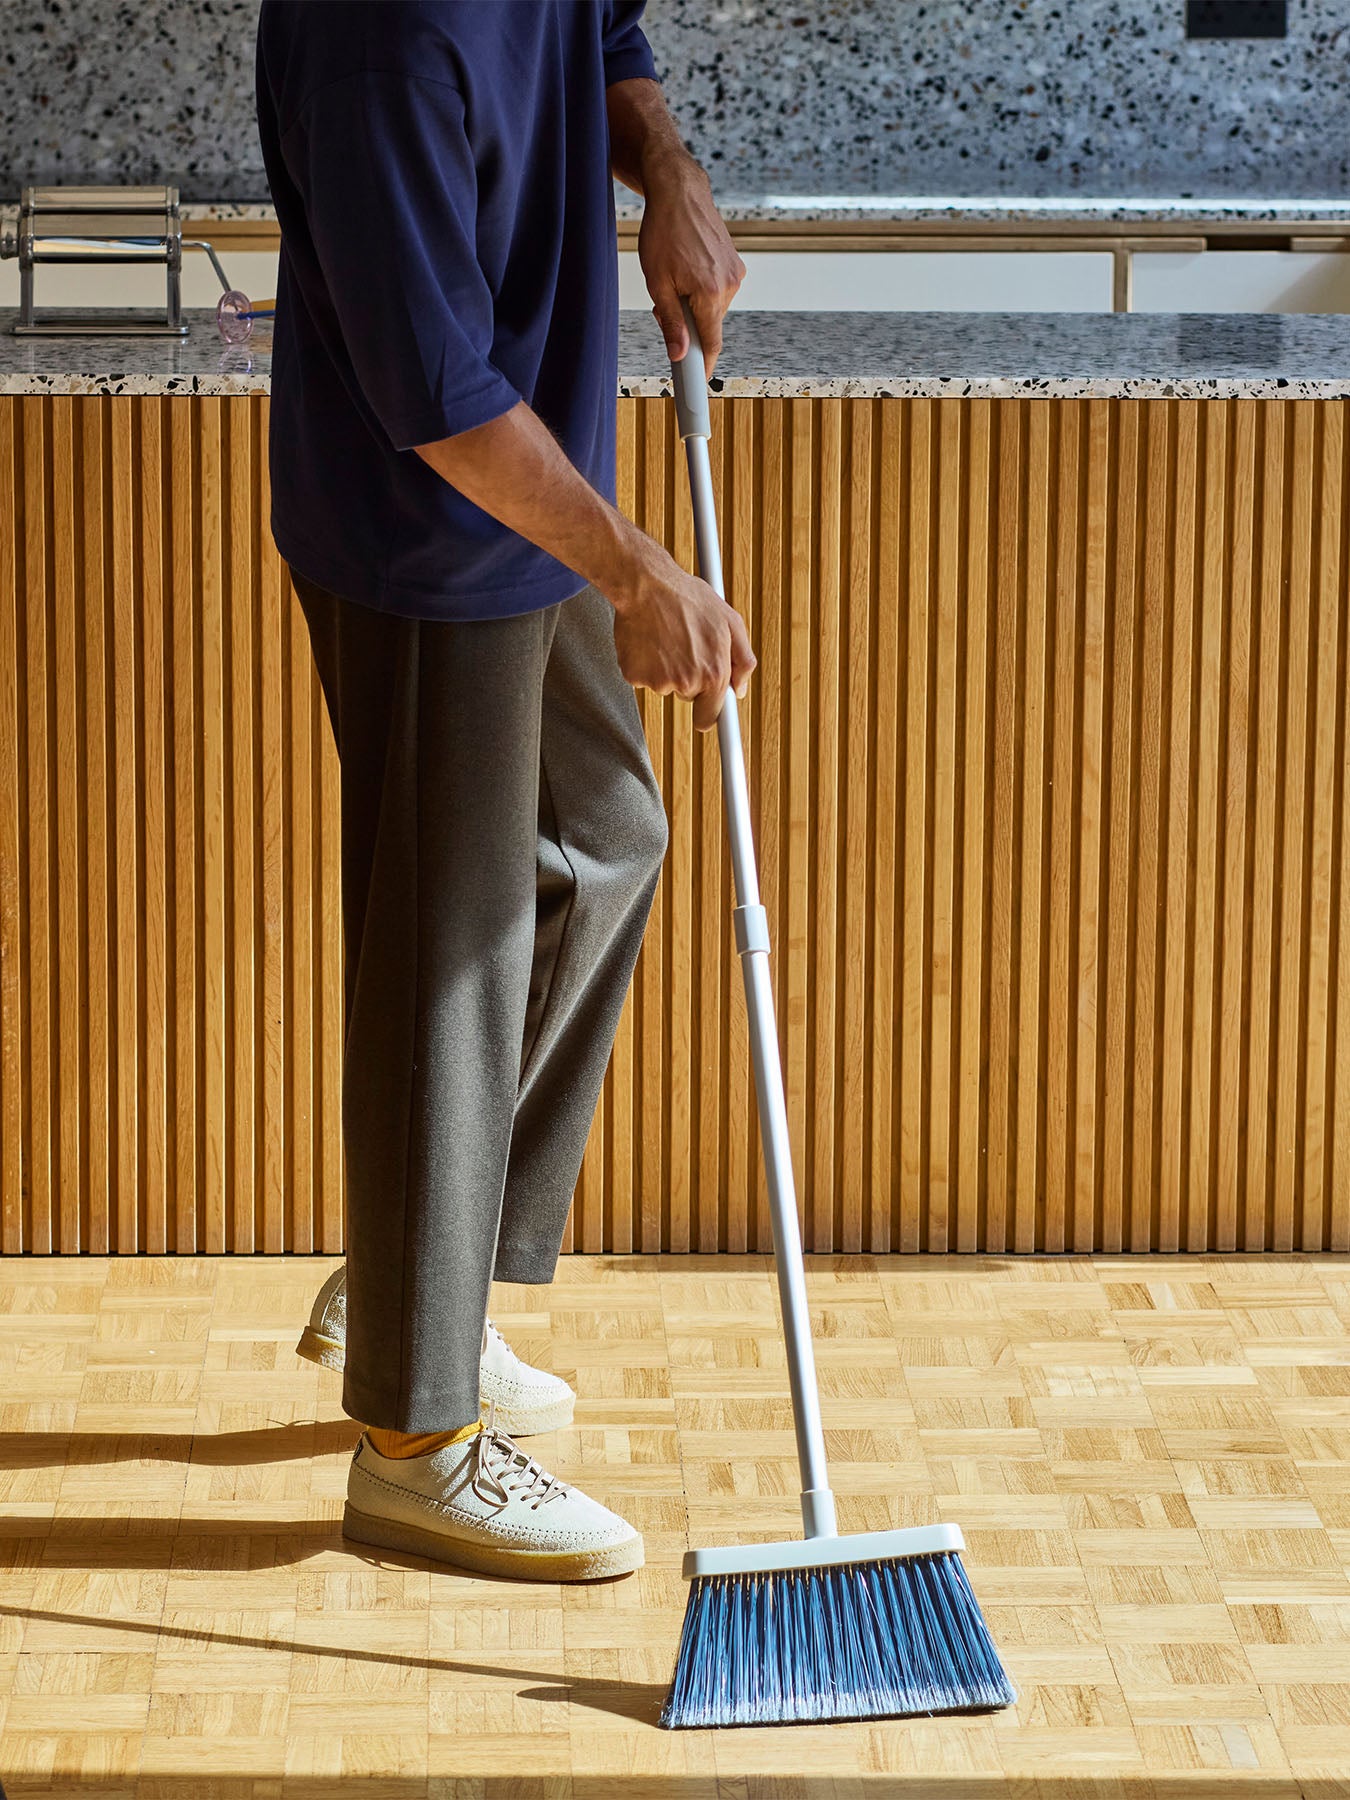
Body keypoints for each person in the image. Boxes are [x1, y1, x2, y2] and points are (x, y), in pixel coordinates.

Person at [254, 1, 754, 1582]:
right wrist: (636, 569)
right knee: (452, 964)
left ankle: (419, 1273)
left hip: (527, 512)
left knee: (609, 845)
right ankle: (416, 1441)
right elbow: (436, 392)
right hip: (432, 533)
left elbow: (600, 27)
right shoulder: (377, 44)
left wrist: (661, 163)